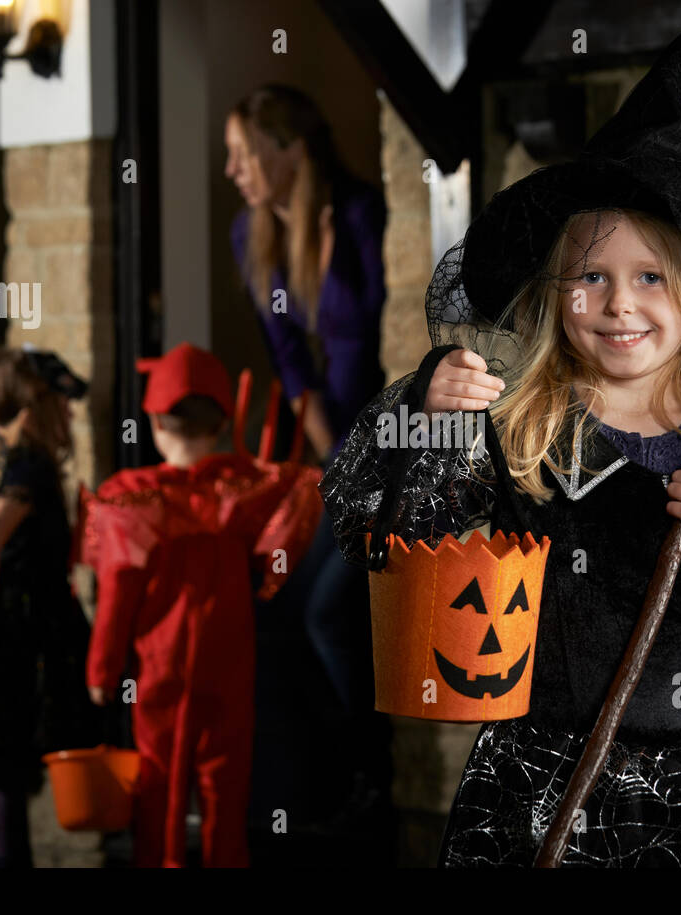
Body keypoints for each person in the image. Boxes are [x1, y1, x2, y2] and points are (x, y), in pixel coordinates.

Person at [320, 2, 681, 867]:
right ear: (554, 294)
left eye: (650, 276)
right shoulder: (524, 434)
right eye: (589, 277)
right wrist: (425, 415)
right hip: (533, 790)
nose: (618, 304)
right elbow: (375, 529)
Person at [79, 343, 322, 867]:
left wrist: (102, 668)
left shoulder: (131, 502)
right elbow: (282, 544)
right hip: (228, 667)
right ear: (220, 423)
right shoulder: (244, 492)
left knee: (159, 786)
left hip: (159, 672)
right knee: (225, 789)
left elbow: (116, 595)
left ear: (155, 424)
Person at [225, 84, 392, 822]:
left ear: (291, 150)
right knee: (299, 604)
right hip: (339, 450)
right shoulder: (249, 235)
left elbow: (373, 343)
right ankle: (340, 770)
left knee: (328, 610)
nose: (233, 170)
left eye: (243, 153)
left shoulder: (359, 214)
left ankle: (374, 767)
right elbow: (290, 365)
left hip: (393, 442)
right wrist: (334, 465)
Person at [0, 345, 98, 867]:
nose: (71, 413)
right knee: (4, 772)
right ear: (36, 407)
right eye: (63, 401)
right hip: (14, 642)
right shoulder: (28, 469)